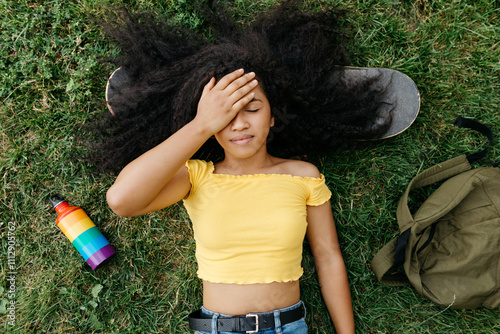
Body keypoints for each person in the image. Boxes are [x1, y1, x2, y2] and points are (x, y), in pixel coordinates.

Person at [88, 1, 393, 333]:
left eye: (252, 108)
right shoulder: (197, 176)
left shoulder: (303, 175)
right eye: (226, 114)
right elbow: (121, 200)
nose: (239, 125)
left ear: (273, 115)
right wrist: (201, 124)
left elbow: (328, 257)